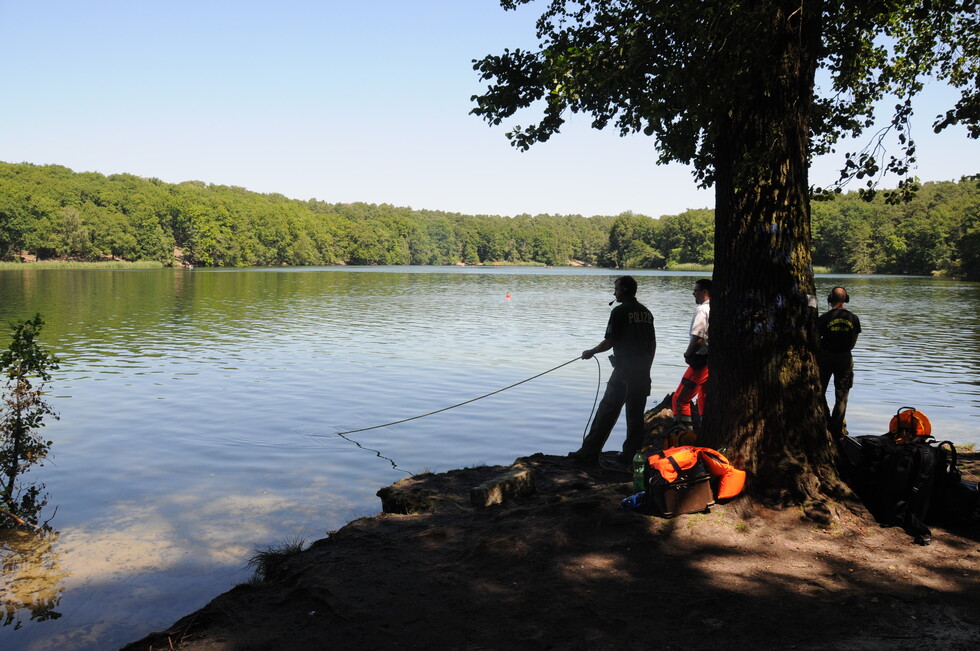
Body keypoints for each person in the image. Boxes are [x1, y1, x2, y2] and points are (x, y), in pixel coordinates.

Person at [570, 276, 656, 465]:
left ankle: (589, 452)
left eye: (616, 289)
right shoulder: (646, 312)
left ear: (624, 290)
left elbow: (610, 342)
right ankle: (631, 455)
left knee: (607, 411)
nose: (614, 292)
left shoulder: (620, 311)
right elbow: (652, 344)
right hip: (643, 371)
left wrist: (591, 352)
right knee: (635, 415)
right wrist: (647, 367)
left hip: (624, 371)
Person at [818, 286, 862, 438]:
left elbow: (816, 340)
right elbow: (853, 344)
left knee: (819, 391)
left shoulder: (823, 318)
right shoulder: (853, 318)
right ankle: (836, 431)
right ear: (846, 299)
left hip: (826, 357)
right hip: (844, 358)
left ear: (831, 299)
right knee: (842, 395)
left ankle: (824, 419)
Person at [672, 279, 711, 431]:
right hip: (711, 361)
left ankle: (683, 436)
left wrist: (687, 354)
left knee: (680, 399)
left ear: (704, 292)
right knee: (704, 397)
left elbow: (698, 337)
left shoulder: (702, 310)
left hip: (700, 361)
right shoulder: (718, 307)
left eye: (695, 290)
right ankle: (706, 431)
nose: (693, 293)